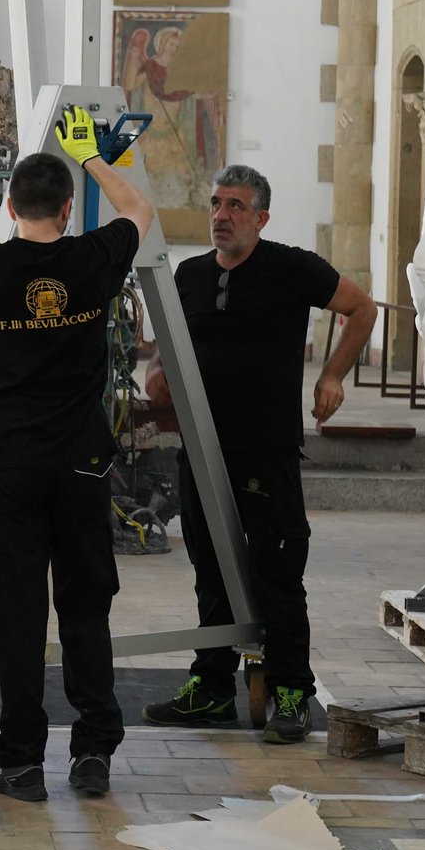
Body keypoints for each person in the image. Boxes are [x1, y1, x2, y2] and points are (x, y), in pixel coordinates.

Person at [0, 108, 155, 802]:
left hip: (10, 462)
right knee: (86, 607)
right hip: (81, 461)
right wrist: (91, 153)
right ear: (66, 208)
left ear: (7, 205)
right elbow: (139, 206)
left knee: (21, 613)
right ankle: (92, 753)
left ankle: (22, 760)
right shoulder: (92, 257)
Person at [143, 164, 376, 743]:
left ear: (261, 217)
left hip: (264, 451)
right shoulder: (189, 276)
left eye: (236, 207)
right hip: (201, 448)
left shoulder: (291, 268)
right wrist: (156, 373)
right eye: (217, 204)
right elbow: (163, 349)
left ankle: (292, 693)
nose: (221, 215)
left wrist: (332, 375)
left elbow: (362, 309)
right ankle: (213, 688)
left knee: (277, 574)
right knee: (210, 572)